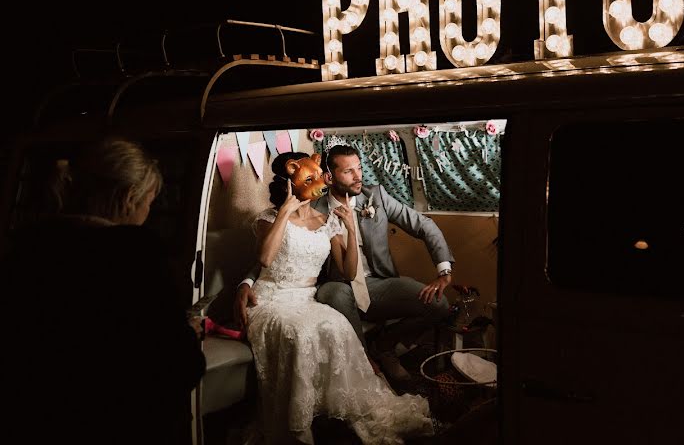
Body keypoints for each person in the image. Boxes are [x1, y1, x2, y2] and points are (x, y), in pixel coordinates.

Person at [3, 136, 205, 445]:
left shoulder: (27, 249)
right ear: (128, 198)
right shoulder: (132, 262)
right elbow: (176, 366)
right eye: (148, 204)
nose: (147, 214)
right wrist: (187, 333)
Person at [243, 151, 433, 444]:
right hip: (272, 299)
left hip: (306, 299)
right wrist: (284, 211)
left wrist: (351, 226)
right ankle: (299, 424)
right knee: (301, 332)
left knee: (336, 325)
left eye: (319, 175)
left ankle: (332, 412)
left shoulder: (326, 219)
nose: (319, 181)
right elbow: (265, 259)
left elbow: (347, 271)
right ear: (290, 181)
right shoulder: (268, 219)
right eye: (310, 177)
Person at [237, 144, 455, 382]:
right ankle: (363, 361)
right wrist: (247, 282)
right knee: (336, 292)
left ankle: (384, 346)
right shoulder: (312, 205)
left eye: (359, 168)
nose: (358, 176)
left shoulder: (377, 197)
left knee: (439, 304)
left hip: (379, 283)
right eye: (348, 171)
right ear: (329, 176)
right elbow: (281, 253)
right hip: (336, 285)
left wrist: (444, 271)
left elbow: (423, 225)